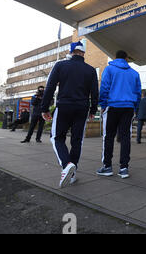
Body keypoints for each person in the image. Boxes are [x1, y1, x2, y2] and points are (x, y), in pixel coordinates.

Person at [41, 41, 99, 188]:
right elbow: (94, 92)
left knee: (57, 137)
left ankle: (66, 165)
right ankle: (72, 174)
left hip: (64, 106)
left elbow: (50, 87)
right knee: (77, 141)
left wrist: (44, 108)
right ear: (83, 53)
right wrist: (93, 110)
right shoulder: (91, 70)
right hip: (82, 108)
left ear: (71, 51)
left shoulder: (60, 65)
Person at [97, 50, 141, 179]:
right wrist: (135, 107)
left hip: (112, 106)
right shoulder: (134, 73)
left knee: (108, 136)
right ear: (126, 58)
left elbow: (104, 87)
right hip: (128, 107)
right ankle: (124, 168)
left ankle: (107, 166)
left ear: (115, 57)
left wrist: (103, 105)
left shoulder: (109, 69)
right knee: (125, 137)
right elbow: (138, 92)